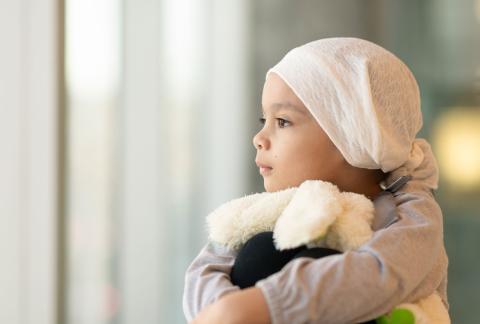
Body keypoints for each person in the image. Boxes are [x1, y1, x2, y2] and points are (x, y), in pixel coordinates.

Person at [182, 37, 449, 323]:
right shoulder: (272, 210)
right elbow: (208, 268)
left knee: (303, 256)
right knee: (260, 252)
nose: (258, 139)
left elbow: (385, 271)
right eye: (264, 121)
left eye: (282, 121)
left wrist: (270, 304)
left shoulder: (409, 216)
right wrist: (225, 307)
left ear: (351, 136)